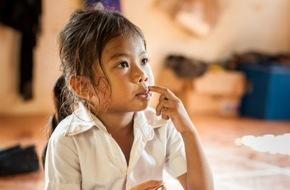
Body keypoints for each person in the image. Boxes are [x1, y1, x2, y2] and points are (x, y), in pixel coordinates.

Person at [44, 5, 214, 190]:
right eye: (123, 64)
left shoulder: (161, 126)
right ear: (83, 87)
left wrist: (188, 132)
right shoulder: (67, 141)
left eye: (144, 60)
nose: (142, 74)